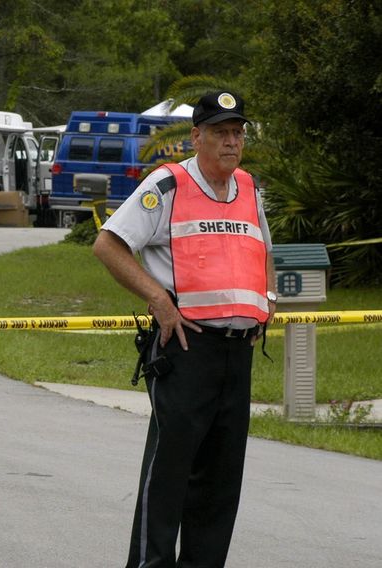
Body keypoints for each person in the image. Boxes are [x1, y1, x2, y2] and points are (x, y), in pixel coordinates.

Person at [93, 91, 277, 568]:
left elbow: (264, 252)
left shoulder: (250, 189)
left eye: (237, 133)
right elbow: (108, 244)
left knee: (220, 484)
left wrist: (268, 300)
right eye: (220, 133)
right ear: (196, 137)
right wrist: (158, 300)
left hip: (237, 356)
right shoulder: (168, 186)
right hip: (185, 349)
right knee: (170, 475)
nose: (231, 142)